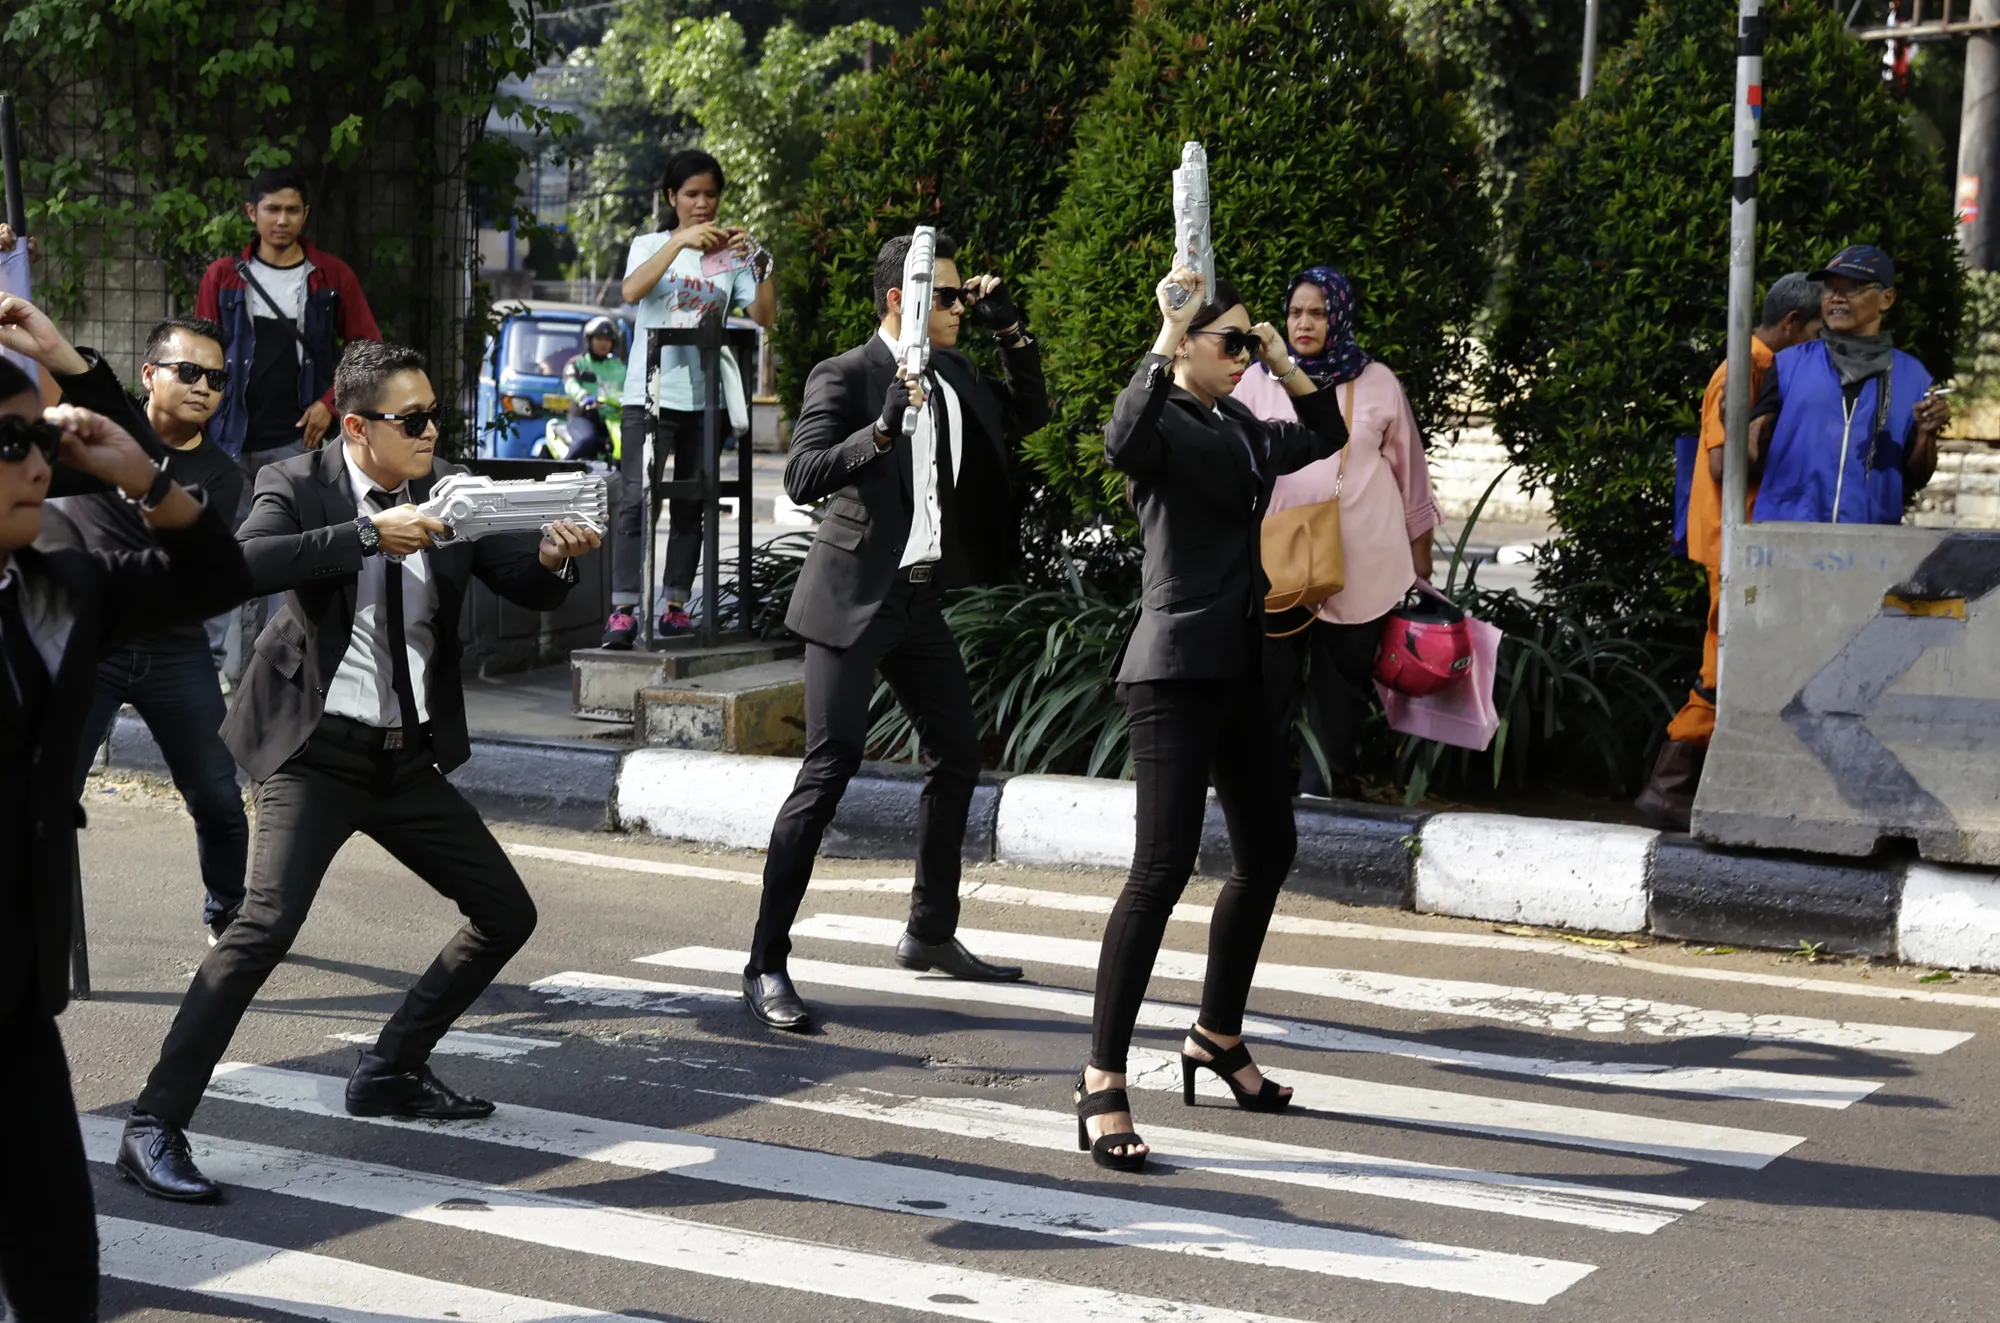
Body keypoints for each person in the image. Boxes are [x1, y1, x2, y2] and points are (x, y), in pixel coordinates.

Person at [118, 341, 602, 1204]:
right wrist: (367, 533)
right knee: (262, 928)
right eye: (411, 420)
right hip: (312, 750)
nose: (430, 434)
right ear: (356, 426)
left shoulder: (448, 488)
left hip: (403, 755)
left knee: (505, 912)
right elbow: (244, 566)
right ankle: (153, 1124)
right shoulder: (293, 482)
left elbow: (522, 583)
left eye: (433, 416)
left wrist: (557, 556)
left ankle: (391, 1067)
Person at [741, 230, 1046, 1032]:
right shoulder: (846, 373)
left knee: (958, 753)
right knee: (829, 768)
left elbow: (1032, 414)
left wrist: (1009, 327)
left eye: (958, 296)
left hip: (919, 602)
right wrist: (877, 430)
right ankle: (765, 961)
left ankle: (929, 930)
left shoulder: (954, 371)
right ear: (899, 300)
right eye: (946, 298)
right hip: (851, 600)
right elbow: (805, 475)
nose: (958, 309)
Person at [1078, 268, 1347, 1171]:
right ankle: (1101, 1079)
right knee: (1160, 869)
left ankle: (1216, 1037)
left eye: (1246, 343)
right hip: (1174, 672)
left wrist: (1279, 356)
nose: (1242, 357)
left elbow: (1325, 432)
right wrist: (1163, 330)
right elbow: (1120, 437)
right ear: (1186, 343)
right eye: (1227, 342)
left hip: (1240, 667)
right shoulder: (1161, 423)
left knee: (1269, 850)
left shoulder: (1238, 425)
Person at [0, 361, 250, 1321]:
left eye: (41, 438)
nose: (36, 465)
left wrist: (142, 477)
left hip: (16, 1004)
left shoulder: (60, 579)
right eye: (9, 441)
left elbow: (217, 575)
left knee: (60, 1266)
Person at [0, 300, 253, 943]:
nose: (203, 388)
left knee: (220, 800)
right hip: (93, 642)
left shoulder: (220, 477)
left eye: (216, 380)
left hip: (172, 648)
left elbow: (206, 570)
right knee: (46, 792)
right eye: (188, 373)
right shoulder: (83, 443)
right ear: (148, 375)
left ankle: (228, 912)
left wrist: (140, 482)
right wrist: (64, 363)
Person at [1234, 266, 1442, 797]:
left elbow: (1410, 476)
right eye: (1296, 311)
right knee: (1268, 679)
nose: (1304, 323)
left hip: (1361, 563)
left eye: (1318, 312)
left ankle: (1319, 794)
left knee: (1340, 686)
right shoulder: (1255, 381)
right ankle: (1259, 792)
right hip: (1278, 560)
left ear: (1340, 317)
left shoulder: (1377, 383)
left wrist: (1421, 562)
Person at [1634, 272, 1821, 830]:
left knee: (1738, 661)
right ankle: (1668, 785)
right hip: (1732, 540)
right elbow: (1723, 463)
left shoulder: (1760, 365)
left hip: (1746, 539)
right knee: (1723, 667)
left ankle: (1683, 785)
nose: (1816, 346)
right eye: (1812, 333)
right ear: (1790, 324)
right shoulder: (1744, 369)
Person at [198, 166, 382, 673]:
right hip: (228, 437)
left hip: (299, 440)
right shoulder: (223, 275)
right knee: (222, 552)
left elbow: (368, 347)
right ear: (252, 214)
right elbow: (202, 350)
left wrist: (331, 401)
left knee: (286, 555)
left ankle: (272, 673)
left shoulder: (330, 276)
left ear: (306, 214)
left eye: (292, 210)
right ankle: (216, 674)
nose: (282, 220)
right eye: (272, 209)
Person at [602, 149, 777, 646]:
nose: (703, 204)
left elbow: (763, 315)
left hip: (706, 401)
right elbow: (632, 291)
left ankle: (675, 603)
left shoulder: (728, 255)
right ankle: (623, 609)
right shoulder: (651, 243)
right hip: (649, 397)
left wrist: (761, 260)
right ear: (672, 198)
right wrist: (678, 242)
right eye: (692, 195)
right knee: (637, 503)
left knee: (692, 504)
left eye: (711, 195)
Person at [1747, 245, 1950, 526]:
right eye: (1830, 289)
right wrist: (1736, 425)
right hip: (1787, 540)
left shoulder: (1913, 377)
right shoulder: (1786, 365)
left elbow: (1916, 477)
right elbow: (1751, 454)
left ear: (1887, 299)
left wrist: (1927, 435)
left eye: (1852, 287)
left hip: (1867, 546)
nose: (1836, 298)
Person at [563, 315, 626, 463]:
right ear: (589, 340)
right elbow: (570, 383)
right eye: (599, 338)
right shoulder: (577, 363)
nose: (603, 343)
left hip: (613, 419)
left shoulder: (619, 366)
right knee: (586, 440)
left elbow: (630, 387)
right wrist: (584, 396)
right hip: (584, 417)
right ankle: (561, 467)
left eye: (608, 339)